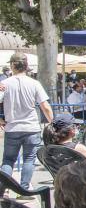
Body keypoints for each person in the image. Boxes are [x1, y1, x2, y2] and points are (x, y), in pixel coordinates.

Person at [0, 52, 53, 190]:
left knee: (8, 160)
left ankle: (3, 189)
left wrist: (0, 119)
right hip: (31, 127)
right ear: (26, 66)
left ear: (12, 65)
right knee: (29, 159)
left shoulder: (4, 84)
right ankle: (24, 188)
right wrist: (52, 123)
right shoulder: (34, 83)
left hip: (12, 127)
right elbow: (45, 107)